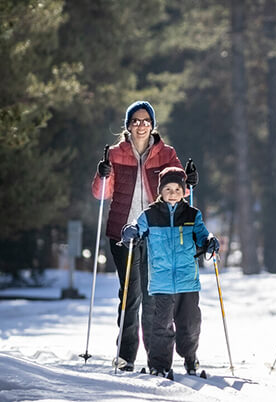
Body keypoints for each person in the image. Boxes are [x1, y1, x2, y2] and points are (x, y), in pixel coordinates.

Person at [91, 101, 198, 372]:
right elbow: (101, 194)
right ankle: (125, 355)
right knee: (130, 296)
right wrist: (102, 175)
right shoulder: (115, 154)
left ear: (153, 125)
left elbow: (177, 189)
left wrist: (189, 182)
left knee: (153, 296)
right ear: (128, 125)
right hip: (122, 232)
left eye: (146, 121)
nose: (141, 125)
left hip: (157, 233)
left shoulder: (166, 153)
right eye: (136, 121)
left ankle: (156, 358)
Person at [121, 167, 218, 377]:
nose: (173, 193)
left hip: (187, 281)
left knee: (190, 324)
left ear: (184, 191)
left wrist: (209, 241)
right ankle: (158, 364)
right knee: (161, 327)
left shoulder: (192, 215)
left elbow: (202, 235)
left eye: (177, 189)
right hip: (161, 282)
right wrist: (131, 231)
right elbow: (137, 227)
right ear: (160, 191)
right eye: (168, 189)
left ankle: (190, 356)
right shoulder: (151, 214)